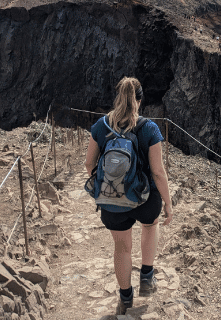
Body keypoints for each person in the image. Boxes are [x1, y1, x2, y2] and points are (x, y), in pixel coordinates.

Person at [85, 77, 173, 315]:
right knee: (150, 226)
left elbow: (89, 163)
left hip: (112, 201)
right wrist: (168, 202)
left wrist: (105, 185)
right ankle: (147, 277)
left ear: (118, 98)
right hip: (145, 199)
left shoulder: (101, 126)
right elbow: (158, 172)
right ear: (140, 100)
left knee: (122, 247)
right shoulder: (149, 128)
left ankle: (125, 299)